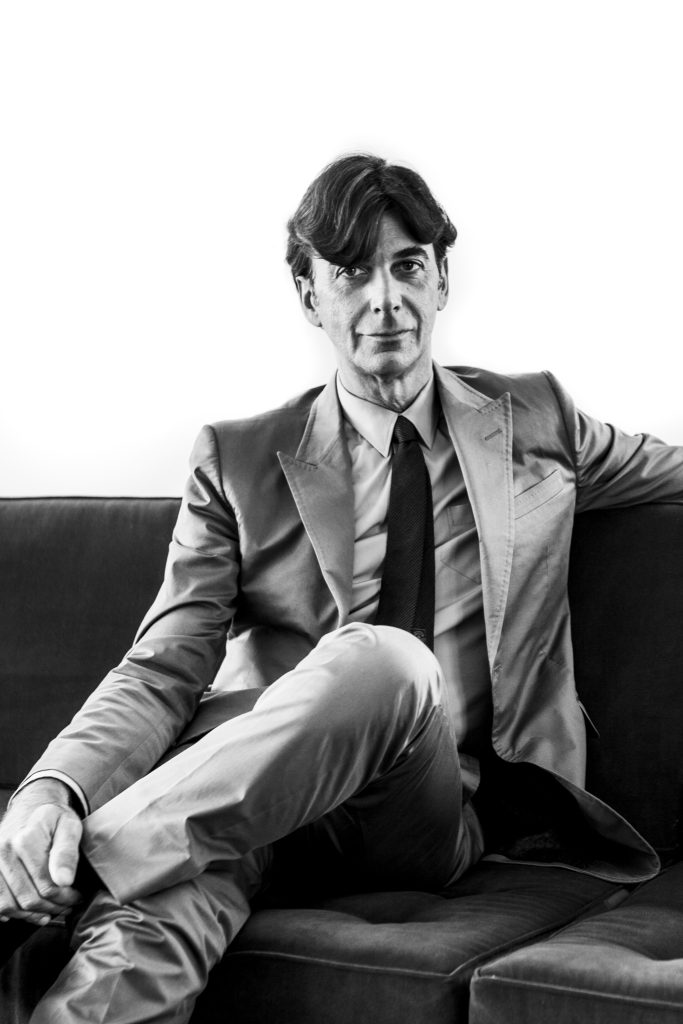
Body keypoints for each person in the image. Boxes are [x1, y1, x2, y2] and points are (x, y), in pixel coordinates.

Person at [1, 153, 682, 1022]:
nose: (383, 301)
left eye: (406, 267)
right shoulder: (239, 459)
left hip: (430, 813)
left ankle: (86, 859)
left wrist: (80, 829)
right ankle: (102, 872)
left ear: (441, 278)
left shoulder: (534, 420)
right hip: (256, 803)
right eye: (351, 272)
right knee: (153, 920)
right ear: (308, 293)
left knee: (383, 662)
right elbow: (162, 666)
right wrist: (51, 789)